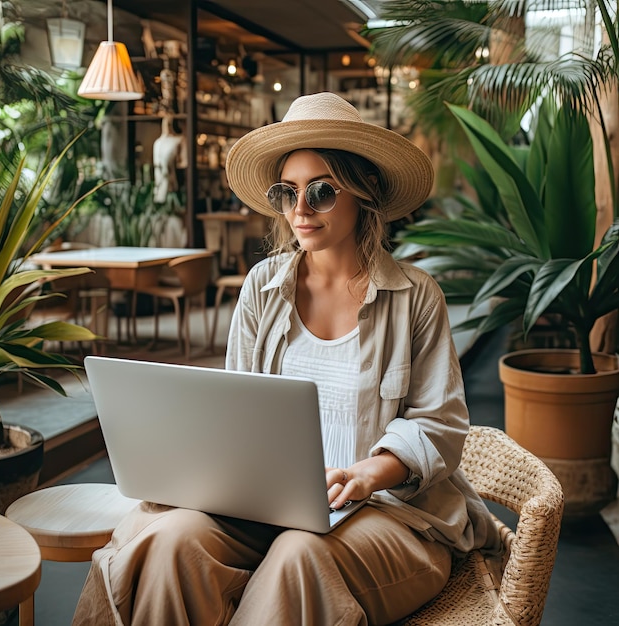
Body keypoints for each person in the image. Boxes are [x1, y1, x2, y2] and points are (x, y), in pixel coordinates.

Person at [73, 92, 501, 626]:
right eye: (287, 192)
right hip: (269, 508)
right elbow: (234, 411)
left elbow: (440, 426)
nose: (301, 209)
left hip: (391, 513)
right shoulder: (261, 288)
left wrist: (371, 471)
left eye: (321, 191)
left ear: (362, 194)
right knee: (172, 542)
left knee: (300, 555)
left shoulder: (415, 296)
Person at [152, 114, 187, 204]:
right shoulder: (177, 140)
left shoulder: (158, 143)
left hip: (165, 185)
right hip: (171, 185)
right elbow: (184, 163)